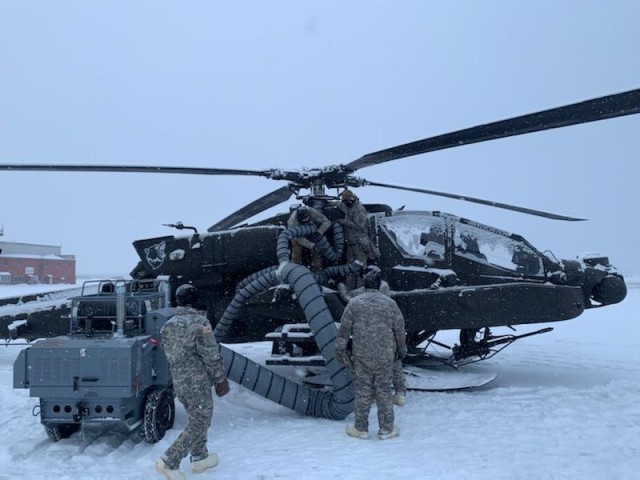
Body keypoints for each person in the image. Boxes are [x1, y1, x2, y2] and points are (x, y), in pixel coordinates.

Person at [155, 284, 230, 480]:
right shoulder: (200, 322)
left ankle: (199, 457)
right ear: (195, 301)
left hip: (179, 381)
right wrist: (220, 379)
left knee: (196, 417)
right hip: (197, 380)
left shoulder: (168, 325)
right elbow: (210, 353)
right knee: (201, 420)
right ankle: (169, 460)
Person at [335, 268, 407, 440]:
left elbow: (344, 331)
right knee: (383, 390)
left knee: (363, 390)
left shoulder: (354, 303)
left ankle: (360, 428)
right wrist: (401, 350)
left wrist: (340, 350)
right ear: (379, 284)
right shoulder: (390, 304)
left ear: (364, 284)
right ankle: (386, 429)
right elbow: (399, 330)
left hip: (362, 355)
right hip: (385, 354)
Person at [337, 189, 380, 289]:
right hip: (350, 243)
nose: (346, 203)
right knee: (350, 268)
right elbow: (340, 207)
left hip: (359, 243)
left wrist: (344, 222)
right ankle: (350, 288)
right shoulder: (344, 205)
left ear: (352, 199)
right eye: (344, 201)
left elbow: (359, 226)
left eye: (347, 201)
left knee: (361, 268)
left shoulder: (359, 209)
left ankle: (362, 288)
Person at [287, 205, 331, 272]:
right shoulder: (292, 223)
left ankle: (317, 269)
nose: (306, 220)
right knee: (296, 249)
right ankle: (295, 269)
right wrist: (311, 246)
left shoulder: (312, 212)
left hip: (313, 231)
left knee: (317, 249)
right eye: (304, 219)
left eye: (307, 218)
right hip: (298, 236)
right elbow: (299, 239)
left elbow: (327, 222)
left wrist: (319, 232)